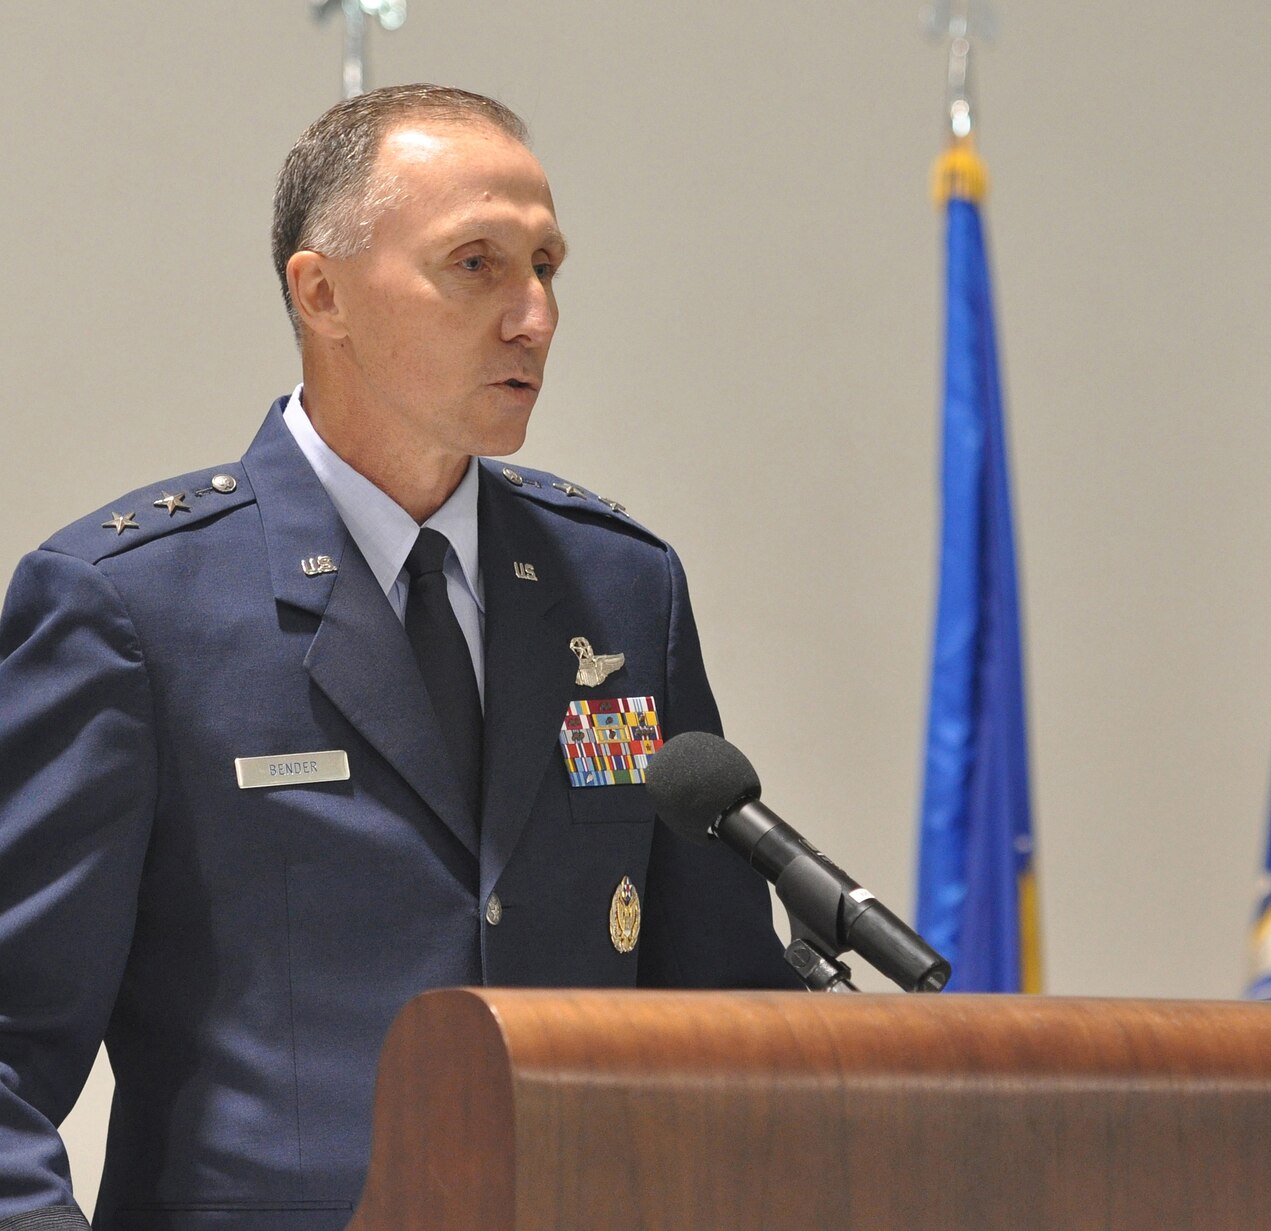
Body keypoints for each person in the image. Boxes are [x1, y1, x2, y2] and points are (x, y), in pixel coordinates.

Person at [0, 84, 797, 1231]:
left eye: (547, 265)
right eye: (476, 264)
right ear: (319, 293)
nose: (534, 316)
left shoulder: (620, 590)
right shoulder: (135, 608)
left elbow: (725, 1016)